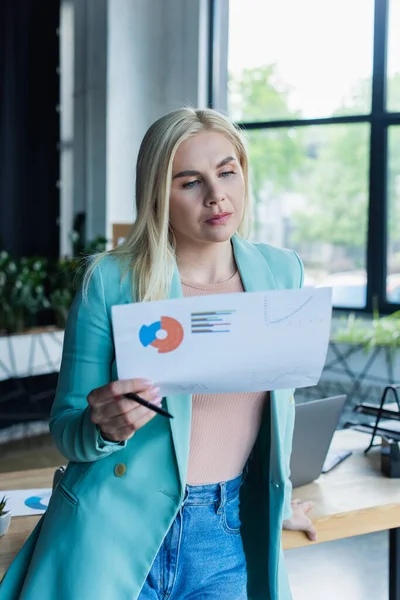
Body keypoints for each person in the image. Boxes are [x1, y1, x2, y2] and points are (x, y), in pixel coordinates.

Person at [0, 107, 316, 600]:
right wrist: (102, 426)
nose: (216, 195)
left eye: (227, 172)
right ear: (158, 194)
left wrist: (277, 501)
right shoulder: (110, 280)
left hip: (227, 535)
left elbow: (279, 412)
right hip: (115, 532)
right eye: (190, 182)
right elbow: (67, 429)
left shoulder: (282, 273)